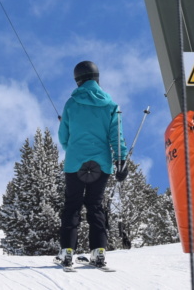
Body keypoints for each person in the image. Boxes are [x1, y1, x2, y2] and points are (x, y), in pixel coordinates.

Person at [56, 60, 128, 269]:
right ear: (97, 78)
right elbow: (117, 136)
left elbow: (64, 137)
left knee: (73, 205)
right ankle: (98, 252)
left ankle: (67, 251)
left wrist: (72, 145)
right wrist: (121, 161)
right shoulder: (111, 105)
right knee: (95, 205)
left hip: (75, 163)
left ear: (77, 80)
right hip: (101, 163)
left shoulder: (71, 103)